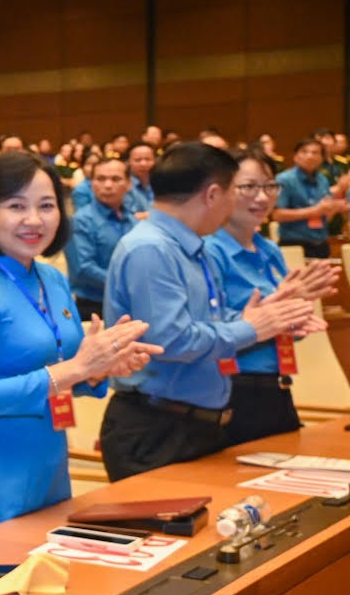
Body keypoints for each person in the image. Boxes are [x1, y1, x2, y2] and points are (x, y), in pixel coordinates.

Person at [0, 153, 158, 537]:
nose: (34, 220)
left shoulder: (51, 279)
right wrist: (77, 369)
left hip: (49, 453)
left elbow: (64, 364)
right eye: (16, 206)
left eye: (46, 206)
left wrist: (104, 365)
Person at [100, 143, 320, 479]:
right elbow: (172, 341)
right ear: (213, 194)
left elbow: (208, 325)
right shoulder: (150, 248)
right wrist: (251, 328)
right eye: (237, 190)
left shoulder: (193, 246)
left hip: (200, 422)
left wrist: (266, 317)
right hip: (157, 427)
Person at [208, 149, 342, 445]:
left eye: (269, 186)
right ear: (221, 191)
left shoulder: (269, 250)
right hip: (232, 388)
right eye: (249, 187)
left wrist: (295, 315)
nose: (262, 197)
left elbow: (281, 327)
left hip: (277, 384)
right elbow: (209, 329)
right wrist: (272, 314)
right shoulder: (208, 251)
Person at [67, 155, 137, 322]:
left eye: (115, 179)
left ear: (128, 184)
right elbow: (83, 269)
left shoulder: (131, 218)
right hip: (95, 307)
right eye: (100, 179)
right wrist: (126, 284)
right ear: (91, 184)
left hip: (130, 301)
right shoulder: (82, 220)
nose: (107, 185)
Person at [273, 138, 348, 258]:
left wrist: (335, 208)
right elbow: (277, 215)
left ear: (321, 158)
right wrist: (315, 211)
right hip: (294, 245)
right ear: (295, 156)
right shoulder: (284, 180)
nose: (309, 156)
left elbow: (325, 216)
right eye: (304, 152)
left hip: (321, 244)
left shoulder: (322, 180)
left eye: (315, 153)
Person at [123, 141, 157, 213]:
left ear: (155, 161)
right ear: (129, 162)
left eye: (148, 159)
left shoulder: (162, 183)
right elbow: (129, 217)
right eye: (137, 160)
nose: (143, 164)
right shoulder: (124, 186)